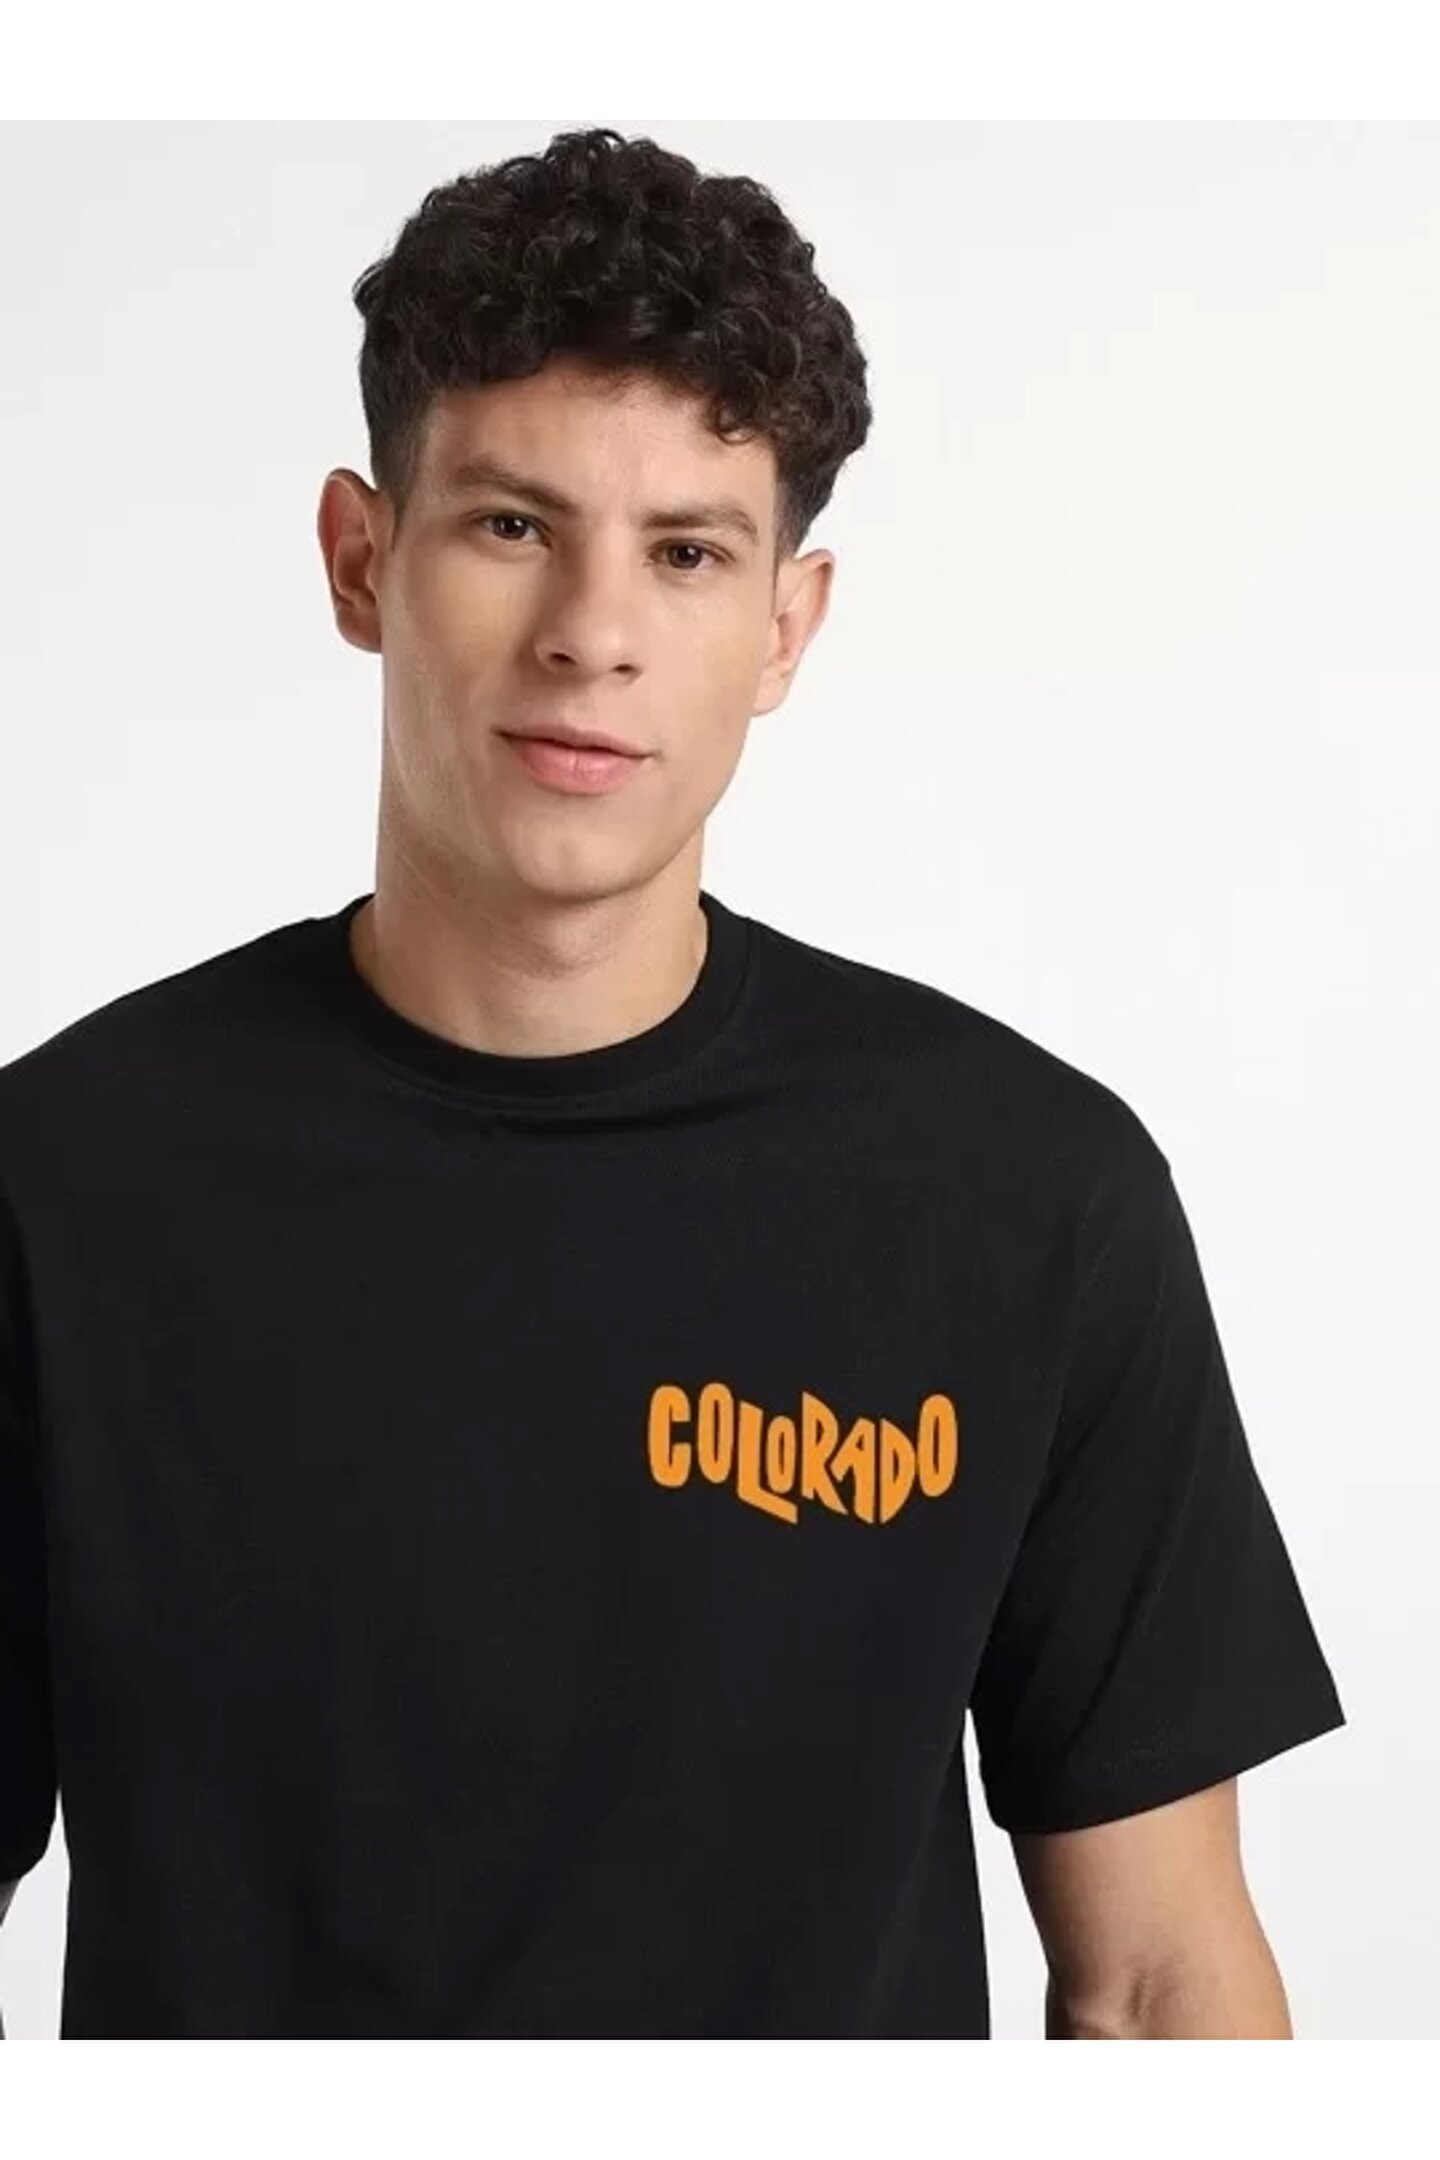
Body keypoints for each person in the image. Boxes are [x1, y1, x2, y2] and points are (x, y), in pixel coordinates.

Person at [0, 124, 1344, 2042]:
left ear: (785, 625)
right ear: (361, 560)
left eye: (688, 552)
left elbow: (1157, 1978)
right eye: (510, 525)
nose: (593, 636)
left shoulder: (1028, 1200)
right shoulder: (62, 1184)